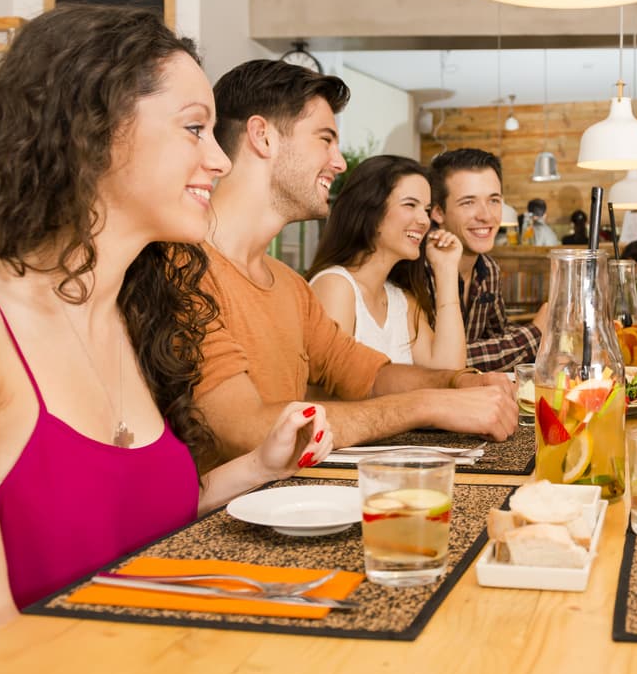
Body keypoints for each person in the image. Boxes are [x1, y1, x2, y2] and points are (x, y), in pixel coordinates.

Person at [0, 6, 333, 662]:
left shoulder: (138, 318)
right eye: (195, 129)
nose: (220, 160)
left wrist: (257, 468)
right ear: (95, 132)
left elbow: (129, 523)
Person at [197, 62, 516, 464]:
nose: (340, 162)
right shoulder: (185, 269)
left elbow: (367, 375)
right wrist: (426, 405)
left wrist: (460, 381)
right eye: (325, 139)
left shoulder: (289, 284)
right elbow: (245, 432)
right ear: (262, 136)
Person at [307, 156, 465, 369]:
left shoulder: (402, 301)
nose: (425, 220)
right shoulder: (335, 287)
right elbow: (326, 393)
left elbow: (447, 371)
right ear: (370, 210)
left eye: (426, 210)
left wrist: (446, 269)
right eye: (410, 205)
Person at [428, 147, 549, 371]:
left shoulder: (488, 269)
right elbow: (439, 363)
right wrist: (536, 332)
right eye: (468, 202)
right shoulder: (417, 271)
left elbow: (499, 336)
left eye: (494, 200)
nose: (486, 215)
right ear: (438, 212)